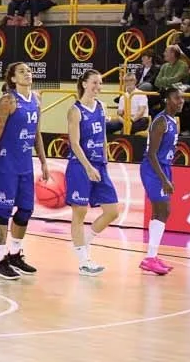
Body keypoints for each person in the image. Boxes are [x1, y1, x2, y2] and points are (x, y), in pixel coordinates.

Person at [0, 62, 49, 280]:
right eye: (22, 71)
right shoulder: (8, 100)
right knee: (3, 211)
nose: (27, 74)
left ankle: (15, 254)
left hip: (24, 164)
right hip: (6, 164)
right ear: (12, 79)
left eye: (29, 71)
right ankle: (0, 260)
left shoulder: (36, 100)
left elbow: (36, 133)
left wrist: (43, 161)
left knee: (25, 211)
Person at [65, 70, 119, 276]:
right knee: (79, 213)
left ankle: (85, 243)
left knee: (112, 211)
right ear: (84, 84)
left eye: (100, 83)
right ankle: (83, 261)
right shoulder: (75, 110)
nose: (98, 87)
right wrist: (88, 167)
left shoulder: (102, 107)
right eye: (95, 83)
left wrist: (106, 160)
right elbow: (75, 143)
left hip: (100, 164)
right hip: (80, 166)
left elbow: (104, 136)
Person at [139, 87, 183, 275]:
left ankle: (152, 256)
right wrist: (164, 179)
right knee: (163, 209)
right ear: (167, 100)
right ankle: (150, 257)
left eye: (182, 98)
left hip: (164, 166)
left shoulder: (174, 121)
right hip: (152, 168)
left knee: (162, 211)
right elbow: (151, 154)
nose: (180, 101)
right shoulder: (161, 121)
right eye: (176, 98)